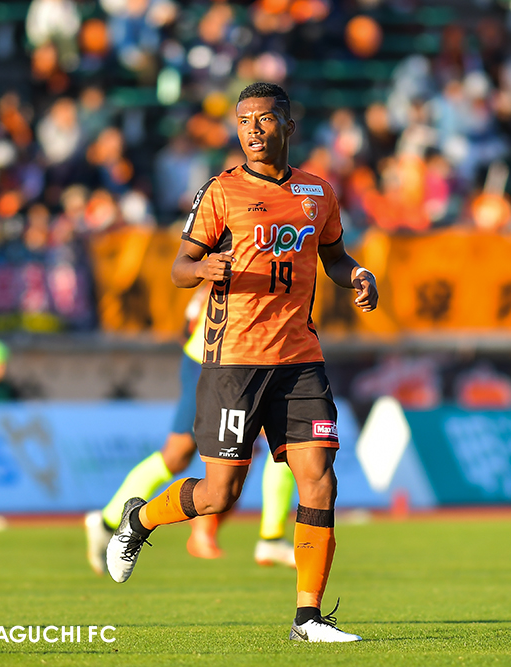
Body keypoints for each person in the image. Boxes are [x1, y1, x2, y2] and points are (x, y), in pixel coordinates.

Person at [105, 82, 378, 643]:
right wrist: (204, 270)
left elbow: (333, 256)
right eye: (244, 120)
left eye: (265, 118)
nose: (253, 129)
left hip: (300, 358)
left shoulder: (318, 192)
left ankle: (308, 619)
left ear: (288, 126)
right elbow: (180, 267)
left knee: (319, 480)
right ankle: (139, 519)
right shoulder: (221, 191)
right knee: (220, 493)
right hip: (233, 360)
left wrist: (356, 275)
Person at [85, 284, 298, 571]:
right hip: (211, 364)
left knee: (282, 441)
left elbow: (189, 320)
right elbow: (195, 312)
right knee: (177, 455)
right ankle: (109, 522)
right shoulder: (239, 266)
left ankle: (269, 537)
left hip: (248, 362)